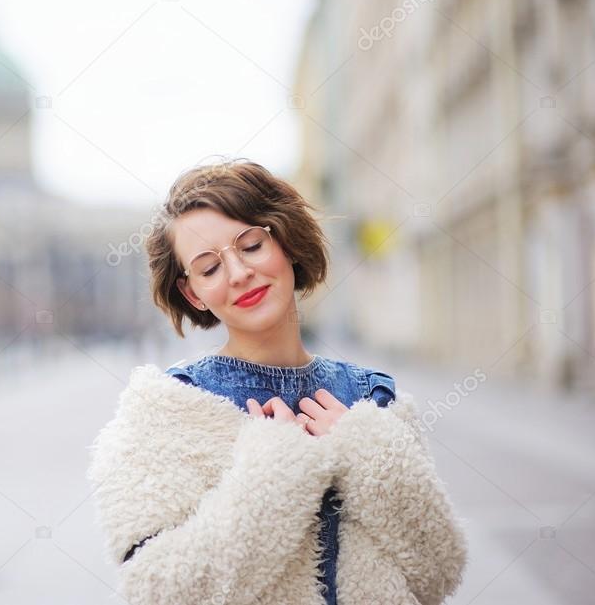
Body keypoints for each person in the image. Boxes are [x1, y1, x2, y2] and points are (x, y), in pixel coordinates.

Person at [86, 159, 468, 604]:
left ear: (284, 240)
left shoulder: (371, 400)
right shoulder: (167, 410)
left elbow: (439, 572)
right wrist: (277, 468)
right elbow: (159, 591)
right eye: (209, 269)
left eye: (250, 245)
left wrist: (366, 452)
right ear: (194, 294)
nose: (238, 273)